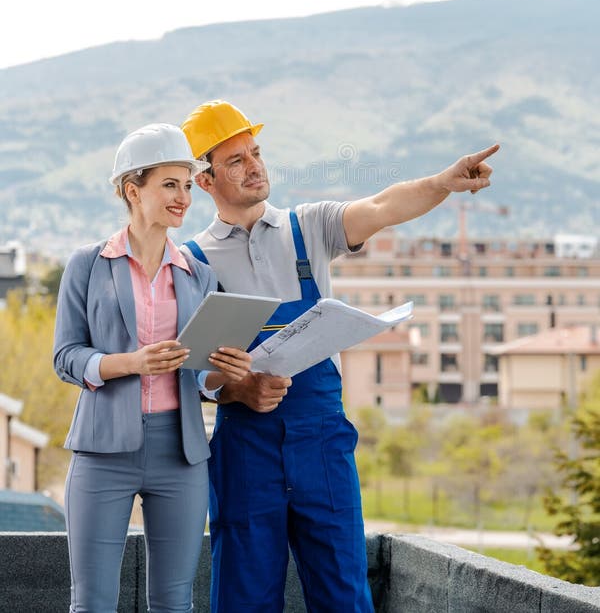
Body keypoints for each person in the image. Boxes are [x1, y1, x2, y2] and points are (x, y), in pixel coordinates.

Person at [180, 100, 500, 613]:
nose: (255, 166)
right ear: (205, 180)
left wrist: (443, 182)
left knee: (344, 594)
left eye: (256, 152)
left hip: (322, 441)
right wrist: (237, 387)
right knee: (243, 597)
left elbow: (382, 206)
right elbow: (191, 369)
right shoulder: (191, 262)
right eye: (236, 160)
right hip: (246, 448)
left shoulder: (310, 228)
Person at [53, 122, 252, 613]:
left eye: (187, 185)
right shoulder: (87, 265)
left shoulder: (200, 275)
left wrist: (226, 371)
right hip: (102, 449)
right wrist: (130, 363)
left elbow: (202, 379)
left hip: (180, 454)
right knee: (93, 603)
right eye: (169, 184)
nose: (183, 197)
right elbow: (66, 357)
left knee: (174, 602)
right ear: (131, 190)